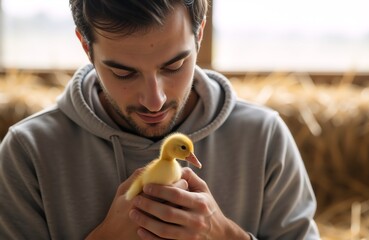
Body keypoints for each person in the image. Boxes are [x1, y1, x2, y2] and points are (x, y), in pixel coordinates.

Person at [0, 0, 319, 239]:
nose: (155, 100)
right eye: (123, 72)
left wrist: (226, 235)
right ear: (86, 46)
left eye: (174, 66)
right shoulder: (28, 152)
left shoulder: (264, 137)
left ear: (200, 34)